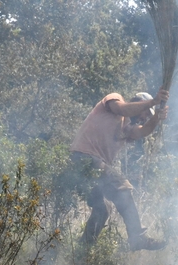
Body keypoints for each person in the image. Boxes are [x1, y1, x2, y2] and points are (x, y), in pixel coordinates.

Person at [69, 88, 169, 251]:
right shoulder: (114, 100)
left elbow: (143, 131)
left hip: (89, 167)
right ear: (137, 102)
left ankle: (81, 256)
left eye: (147, 116)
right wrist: (153, 103)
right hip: (84, 157)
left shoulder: (127, 128)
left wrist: (157, 117)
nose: (144, 117)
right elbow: (123, 109)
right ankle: (136, 236)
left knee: (102, 210)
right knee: (122, 187)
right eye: (145, 112)